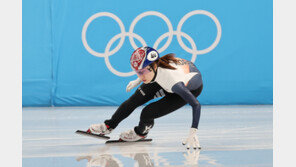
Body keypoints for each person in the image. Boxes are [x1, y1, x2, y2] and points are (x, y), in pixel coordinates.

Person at [88, 46, 203, 149]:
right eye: (137, 72)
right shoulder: (153, 67)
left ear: (154, 66)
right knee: (133, 100)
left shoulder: (174, 82)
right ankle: (109, 125)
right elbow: (145, 70)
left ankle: (140, 133)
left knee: (148, 112)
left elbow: (196, 105)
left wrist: (193, 130)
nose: (141, 76)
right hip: (161, 78)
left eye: (142, 72)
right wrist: (137, 81)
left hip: (189, 89)